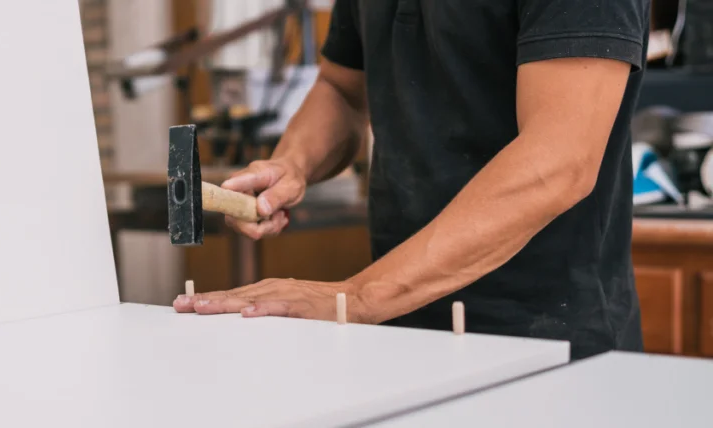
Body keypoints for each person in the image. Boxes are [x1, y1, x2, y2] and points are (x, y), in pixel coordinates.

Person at [173, 0, 649, 361]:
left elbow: (559, 161)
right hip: (402, 332)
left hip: (547, 341)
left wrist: (360, 295)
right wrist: (292, 164)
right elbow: (342, 88)